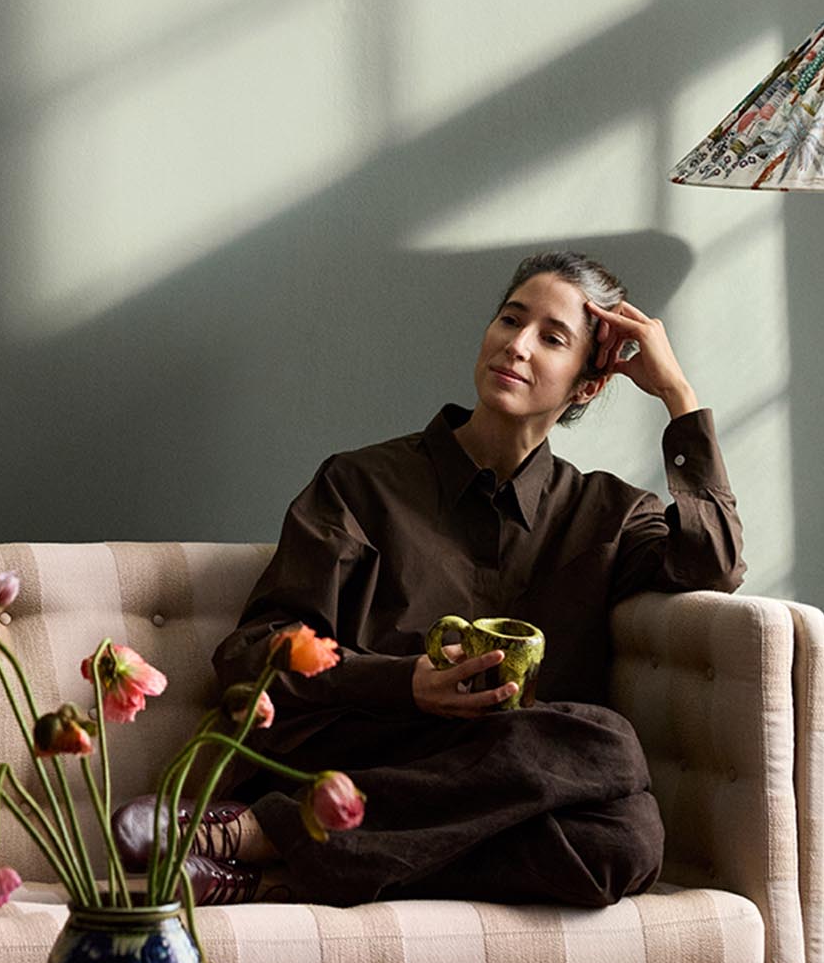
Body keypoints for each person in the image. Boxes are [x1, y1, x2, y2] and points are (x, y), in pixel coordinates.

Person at [115, 251, 743, 908]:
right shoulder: (361, 485)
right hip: (353, 756)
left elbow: (714, 564)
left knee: (628, 843)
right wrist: (401, 681)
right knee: (609, 745)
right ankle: (283, 831)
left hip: (497, 779)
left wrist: (679, 396)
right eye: (509, 319)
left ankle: (271, 852)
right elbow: (253, 654)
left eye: (551, 338)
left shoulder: (610, 516)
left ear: (587, 385)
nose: (516, 345)